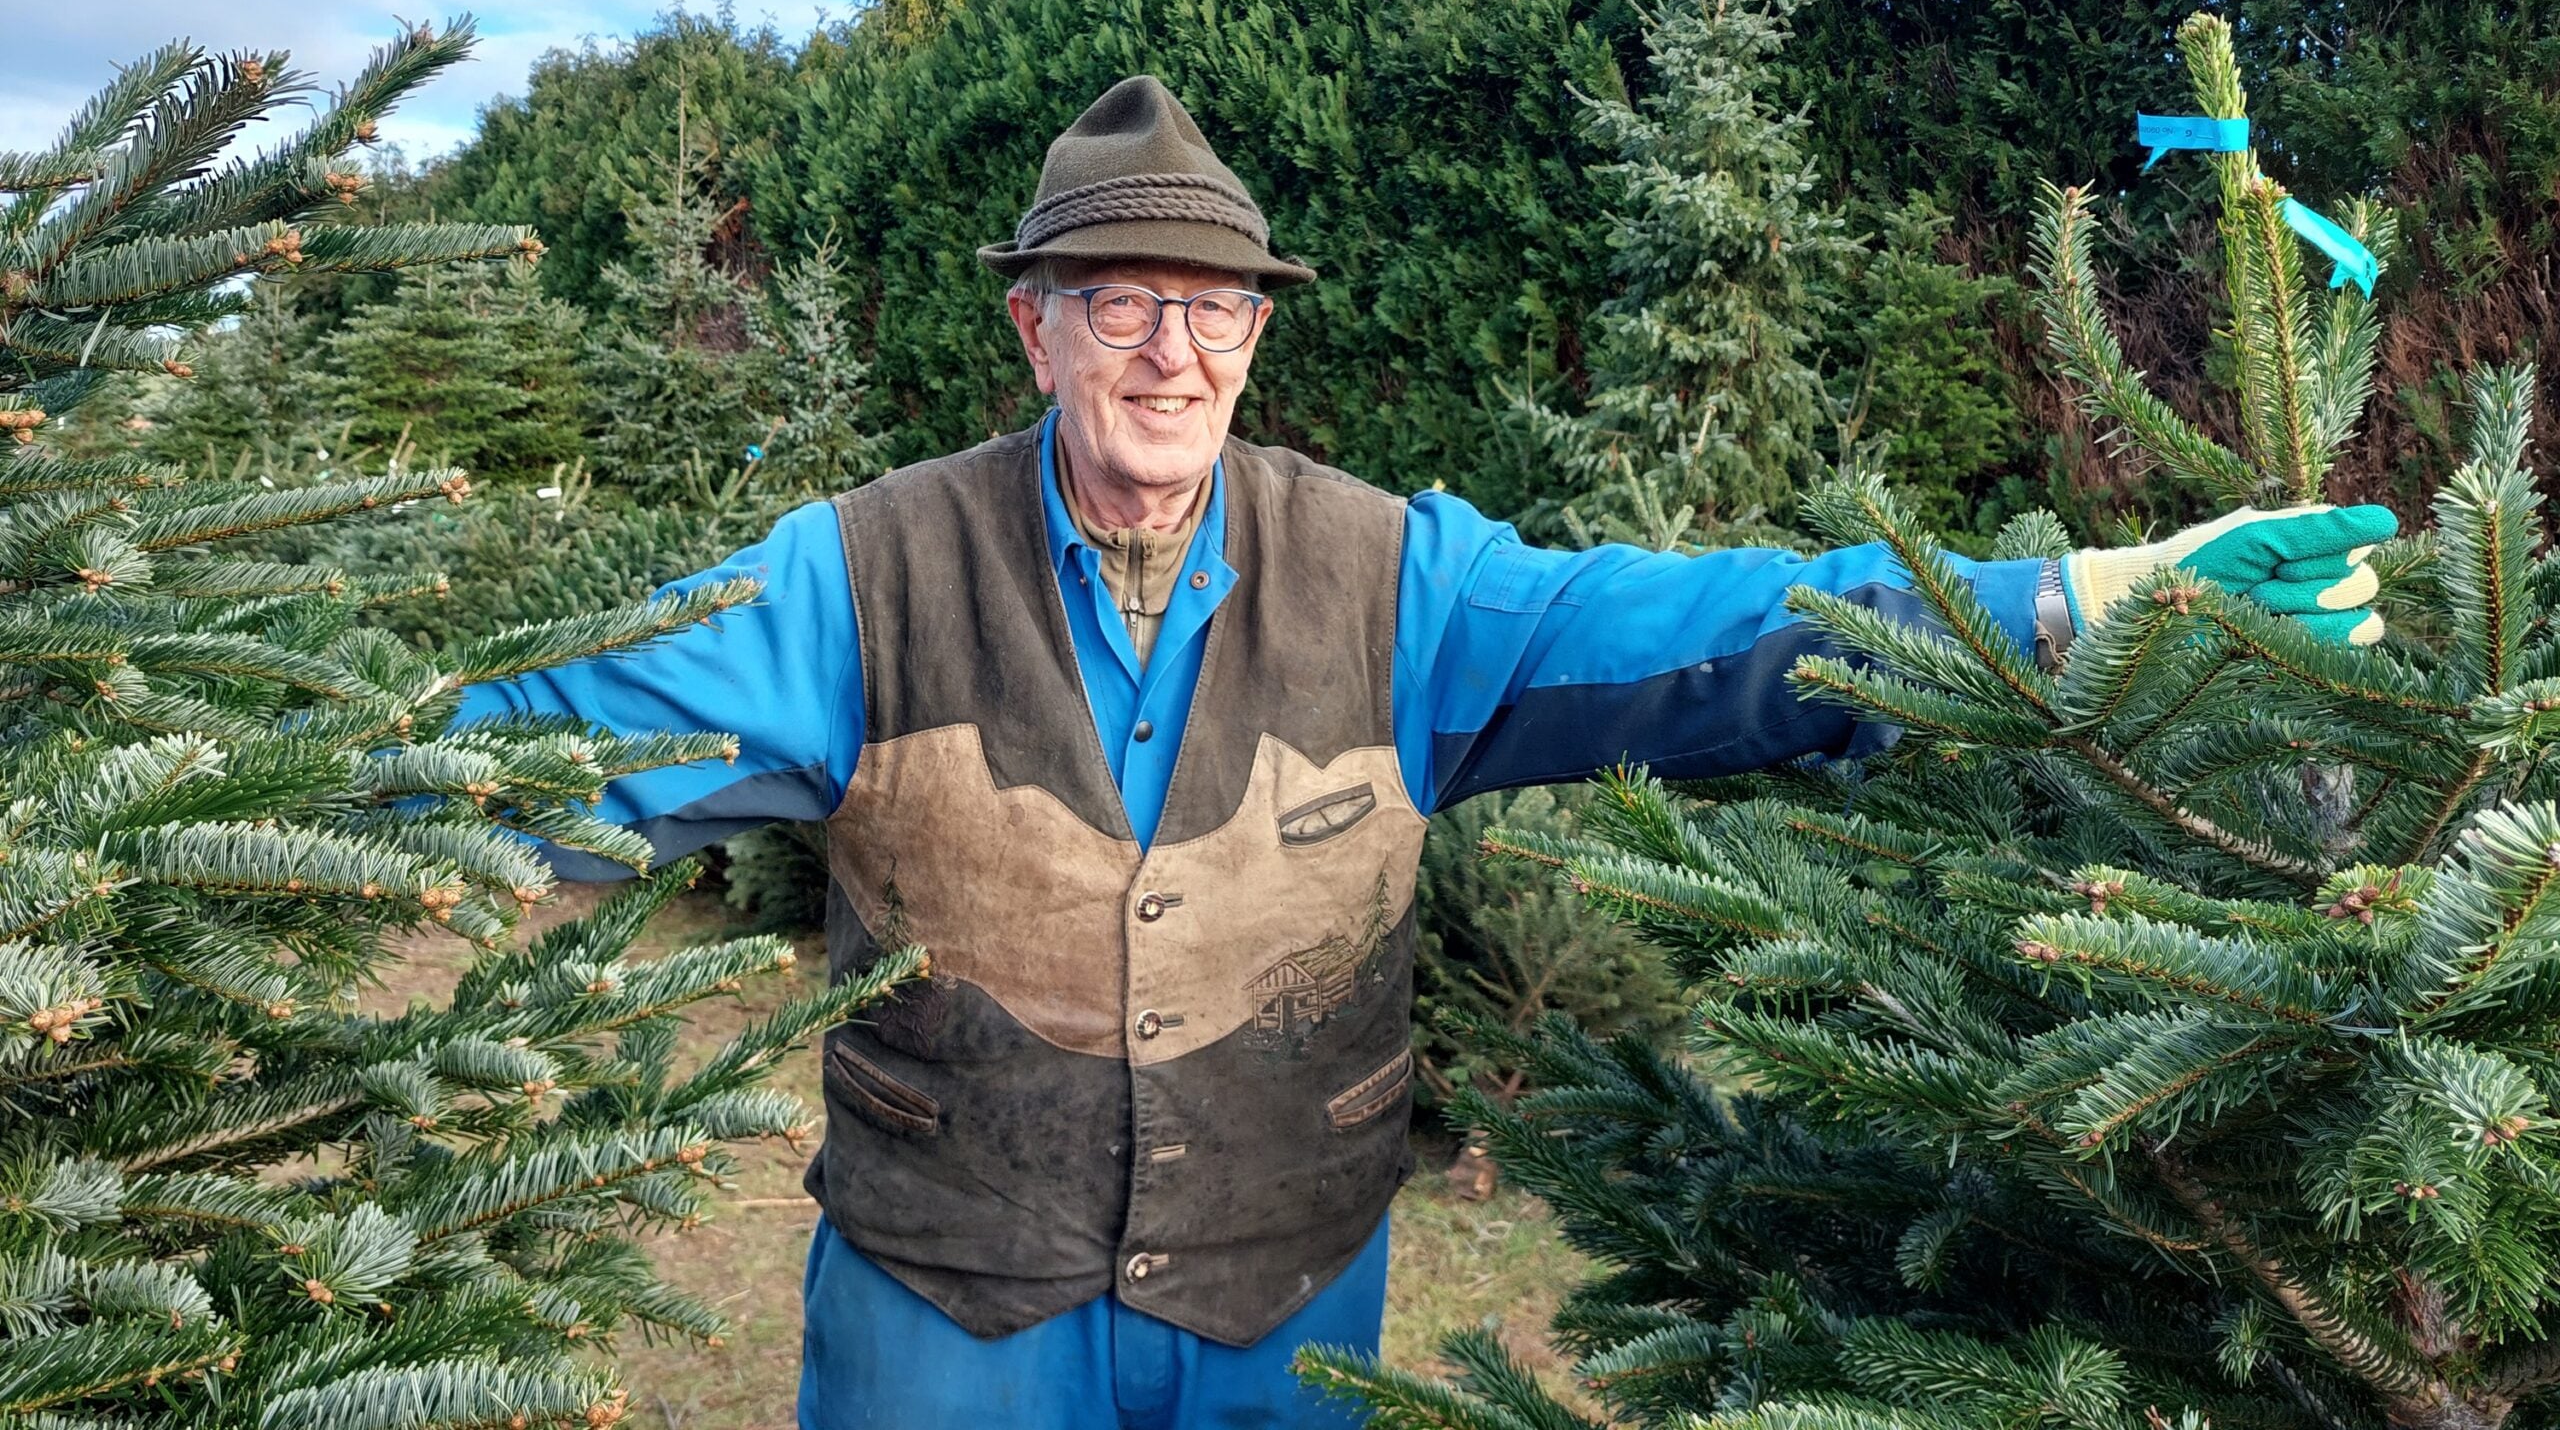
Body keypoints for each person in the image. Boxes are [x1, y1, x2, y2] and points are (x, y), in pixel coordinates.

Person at [462, 75, 2396, 1430]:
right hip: (944, 1320)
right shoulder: (864, 573)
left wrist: (2101, 589)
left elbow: (1715, 628)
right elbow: (556, 732)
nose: (1171, 351)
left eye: (1212, 310)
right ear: (1037, 331)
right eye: (1121, 303)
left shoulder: (1399, 582)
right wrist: (278, 807)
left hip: (1283, 1310)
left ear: (1253, 341)